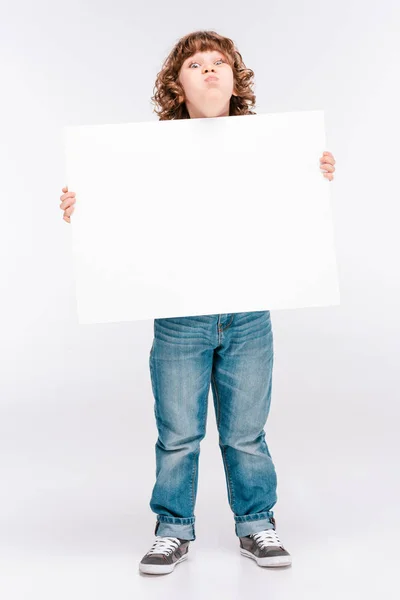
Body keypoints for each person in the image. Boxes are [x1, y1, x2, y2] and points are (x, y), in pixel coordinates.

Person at [59, 30, 336, 575]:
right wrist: (83, 211)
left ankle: (257, 524)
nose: (209, 70)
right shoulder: (148, 154)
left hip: (249, 311)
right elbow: (124, 219)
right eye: (195, 64)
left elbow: (290, 217)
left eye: (220, 63)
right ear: (177, 85)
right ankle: (173, 529)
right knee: (179, 433)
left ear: (235, 81)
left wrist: (315, 176)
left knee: (246, 434)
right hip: (181, 314)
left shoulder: (271, 145)